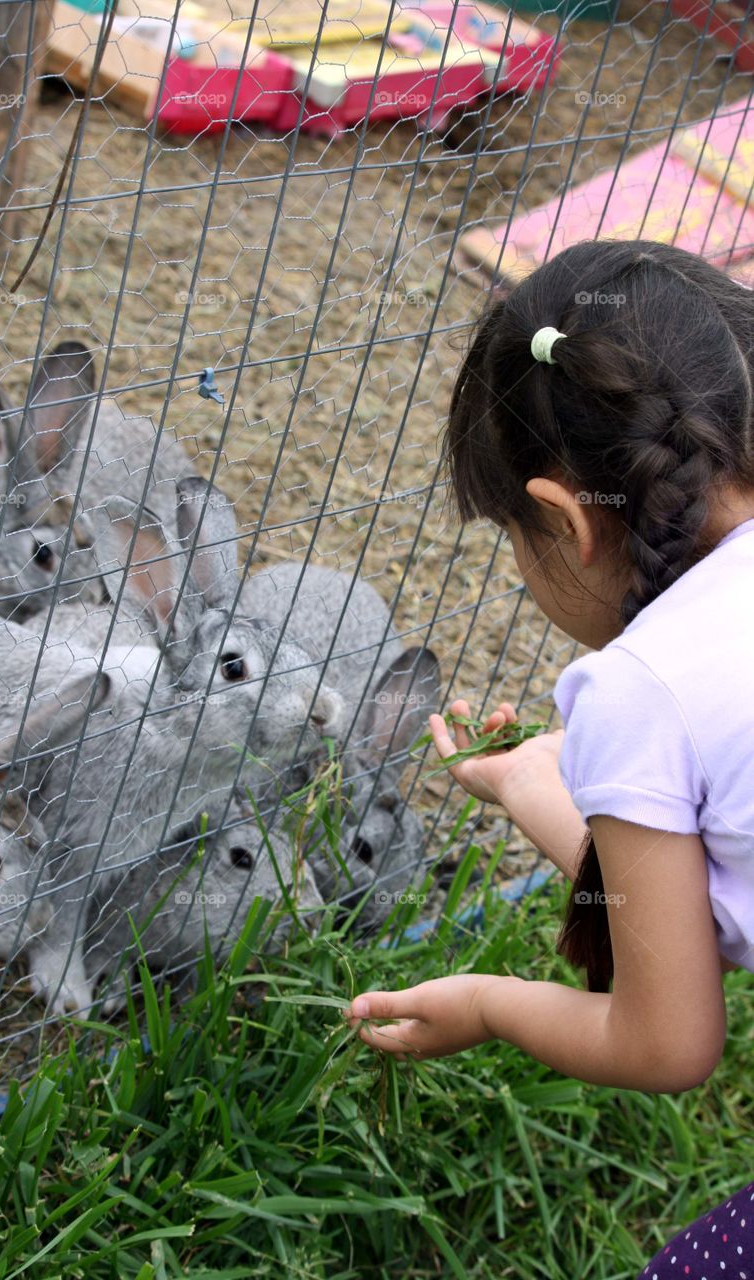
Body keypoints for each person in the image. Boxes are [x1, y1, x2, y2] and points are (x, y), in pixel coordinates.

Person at [345, 239, 754, 1275]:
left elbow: (667, 1038)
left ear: (569, 522)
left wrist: (487, 1002)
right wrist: (542, 785)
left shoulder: (638, 690)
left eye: (510, 535)